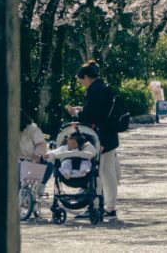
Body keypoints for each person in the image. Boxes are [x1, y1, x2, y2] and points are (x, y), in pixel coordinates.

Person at [66, 59, 128, 220]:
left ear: (86, 76)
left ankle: (95, 205)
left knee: (98, 172)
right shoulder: (104, 87)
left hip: (100, 136)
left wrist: (76, 113)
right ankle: (109, 207)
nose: (81, 82)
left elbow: (90, 115)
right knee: (108, 172)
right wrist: (83, 110)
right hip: (109, 134)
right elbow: (99, 111)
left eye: (81, 79)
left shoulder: (95, 90)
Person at [19, 110, 53, 189]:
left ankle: (41, 186)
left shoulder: (33, 129)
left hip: (32, 158)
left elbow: (41, 144)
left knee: (49, 166)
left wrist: (37, 155)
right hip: (17, 160)